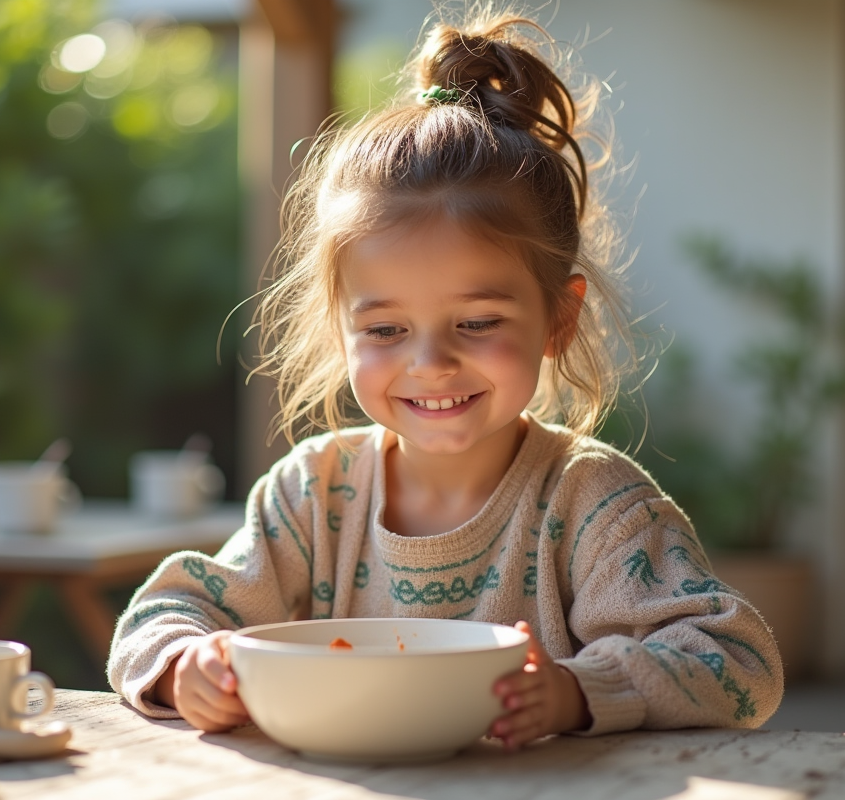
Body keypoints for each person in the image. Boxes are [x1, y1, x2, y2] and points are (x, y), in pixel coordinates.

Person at [108, 8, 783, 749]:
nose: (430, 363)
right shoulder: (313, 496)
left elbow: (738, 663)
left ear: (558, 319)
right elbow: (160, 617)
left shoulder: (593, 505)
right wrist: (185, 666)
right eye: (385, 330)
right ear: (341, 331)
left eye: (478, 322)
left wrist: (579, 689)